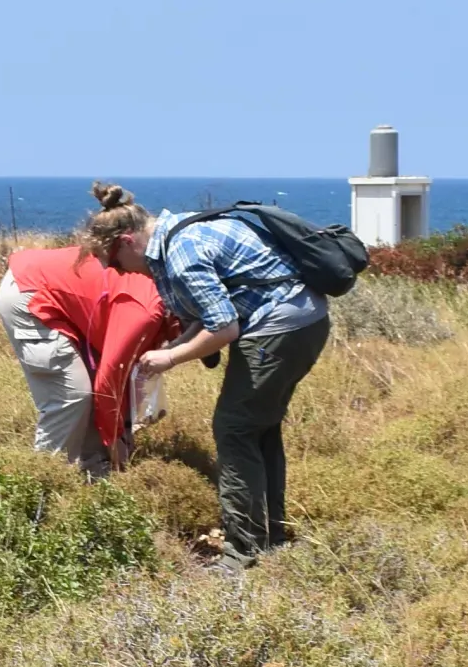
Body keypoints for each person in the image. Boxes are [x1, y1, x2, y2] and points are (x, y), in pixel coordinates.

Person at [137, 198, 331, 561]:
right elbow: (222, 301)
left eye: (115, 263)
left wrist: (171, 356)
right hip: (305, 319)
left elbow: (224, 327)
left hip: (279, 328)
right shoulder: (185, 228)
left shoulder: (181, 252)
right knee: (260, 428)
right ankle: (270, 539)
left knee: (235, 429)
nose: (122, 272)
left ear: (125, 242)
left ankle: (242, 552)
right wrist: (179, 344)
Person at [0, 182, 173, 475]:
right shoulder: (145, 310)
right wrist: (116, 438)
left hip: (60, 294)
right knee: (72, 394)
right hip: (30, 292)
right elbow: (109, 381)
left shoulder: (162, 298)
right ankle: (44, 482)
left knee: (90, 389)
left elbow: (119, 377)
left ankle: (93, 472)